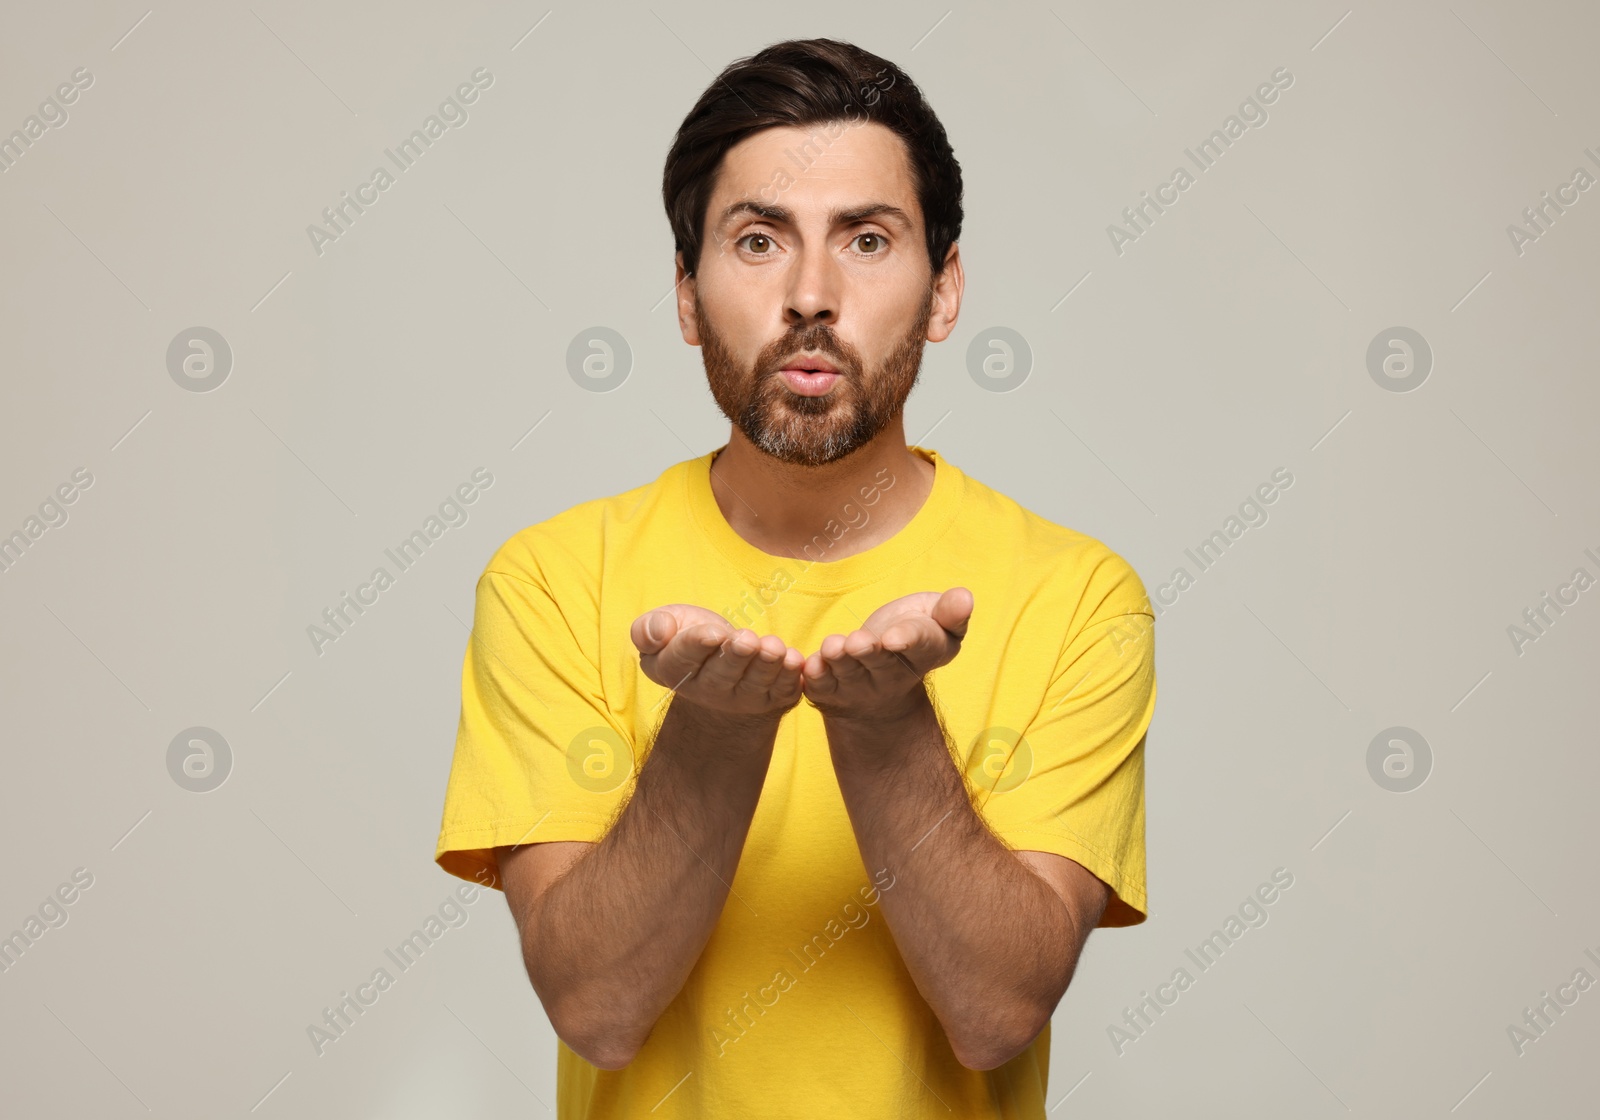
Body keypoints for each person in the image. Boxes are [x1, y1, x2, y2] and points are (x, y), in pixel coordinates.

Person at [434, 36, 1156, 1119]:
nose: (811, 293)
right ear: (685, 295)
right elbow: (595, 1006)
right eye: (759, 239)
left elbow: (998, 1012)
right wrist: (715, 736)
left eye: (867, 239)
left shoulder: (1079, 596)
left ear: (943, 290)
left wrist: (889, 730)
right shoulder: (551, 581)